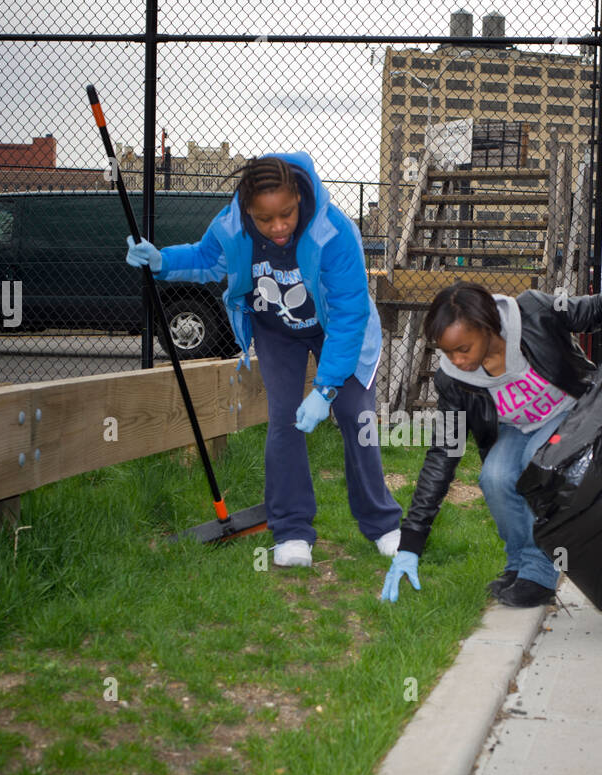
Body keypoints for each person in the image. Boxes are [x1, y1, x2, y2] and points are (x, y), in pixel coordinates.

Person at [125, 153, 402, 567]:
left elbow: (349, 314)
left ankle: (383, 524)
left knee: (354, 413)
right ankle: (292, 531)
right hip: (277, 329)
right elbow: (207, 259)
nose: (277, 227)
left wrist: (325, 389)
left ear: (298, 199)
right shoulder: (231, 225)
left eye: (286, 215)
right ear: (247, 209)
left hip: (338, 330)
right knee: (285, 419)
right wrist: (163, 261)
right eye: (264, 219)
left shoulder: (333, 232)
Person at [380, 265, 602, 608]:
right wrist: (411, 542)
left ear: (488, 327)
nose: (457, 359)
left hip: (571, 412)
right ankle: (517, 564)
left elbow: (586, 311)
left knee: (535, 461)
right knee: (495, 477)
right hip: (518, 425)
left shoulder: (533, 312)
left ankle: (538, 574)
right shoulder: (452, 379)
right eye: (447, 351)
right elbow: (443, 452)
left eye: (463, 348)